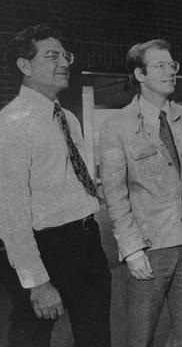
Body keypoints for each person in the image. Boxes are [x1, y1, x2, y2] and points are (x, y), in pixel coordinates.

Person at [0, 24, 111, 347]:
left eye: (66, 55)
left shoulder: (68, 118)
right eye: (52, 56)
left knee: (95, 339)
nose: (64, 62)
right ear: (25, 65)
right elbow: (11, 213)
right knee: (31, 339)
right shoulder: (11, 125)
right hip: (46, 248)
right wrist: (37, 283)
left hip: (88, 243)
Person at [99, 39, 182, 347]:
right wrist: (132, 250)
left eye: (172, 65)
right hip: (148, 250)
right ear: (140, 74)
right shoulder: (117, 126)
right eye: (160, 66)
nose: (170, 71)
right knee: (141, 337)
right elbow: (116, 197)